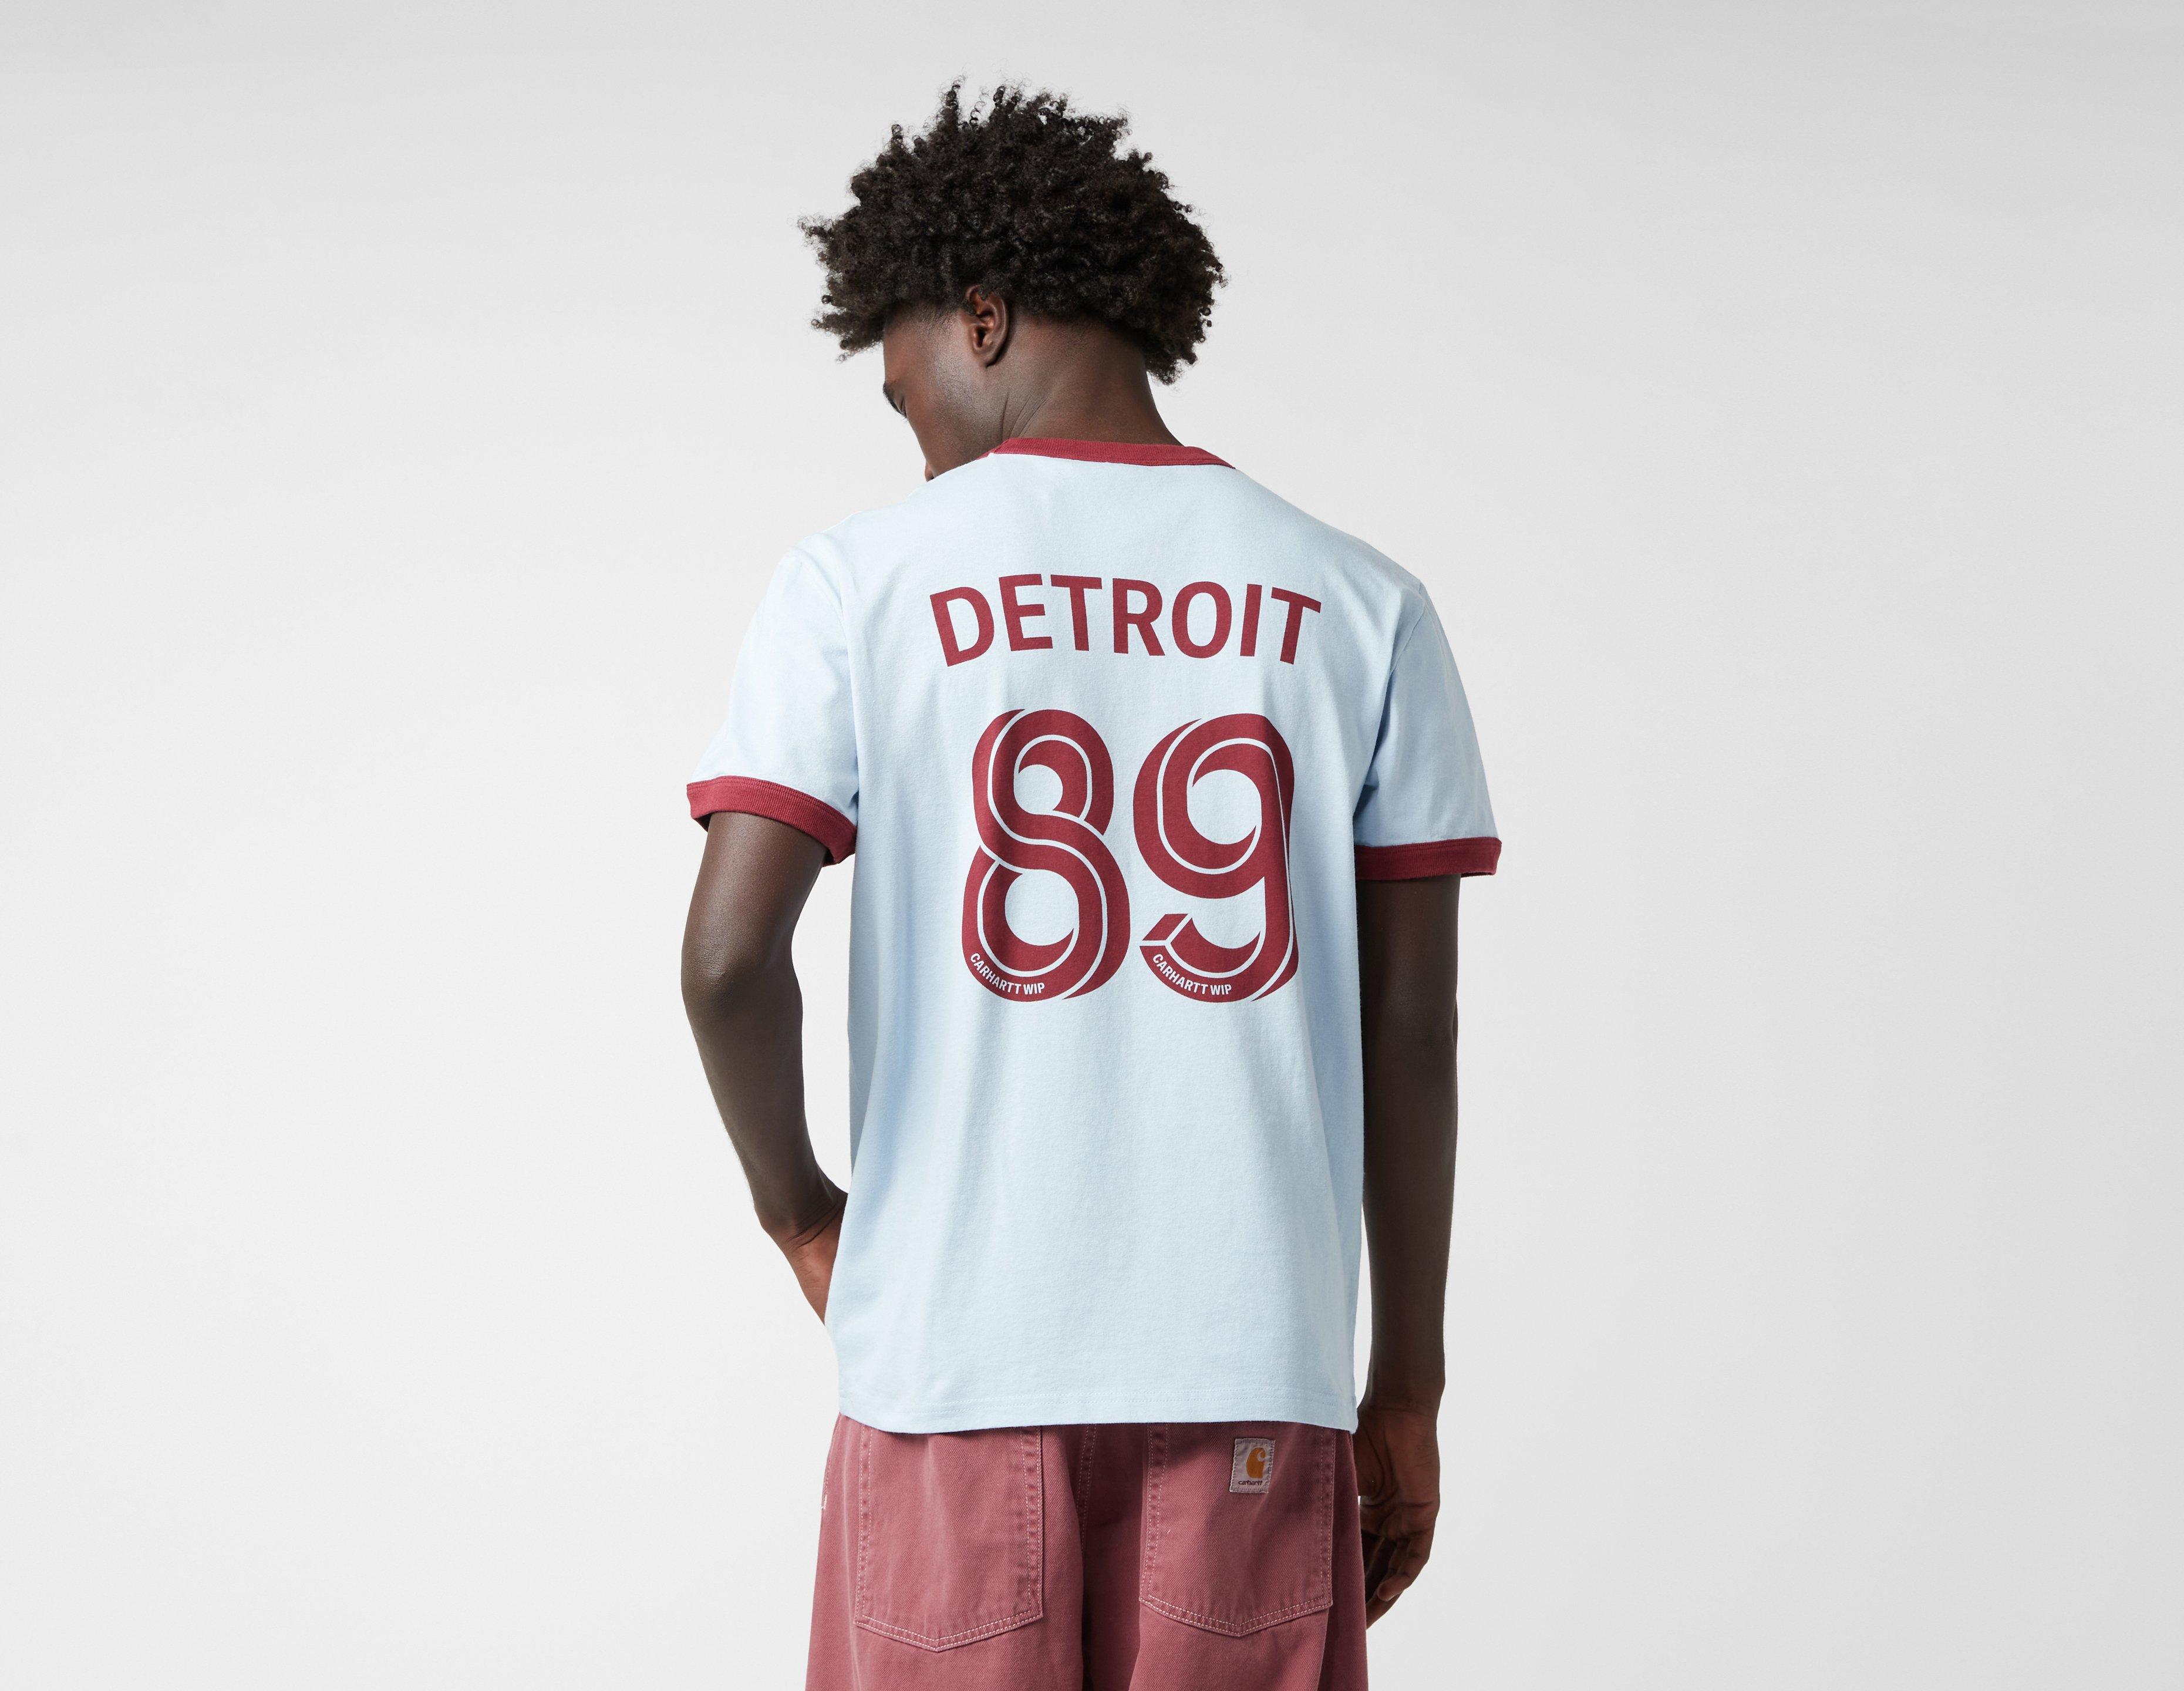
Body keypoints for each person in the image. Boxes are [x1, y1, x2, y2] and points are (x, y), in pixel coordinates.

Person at [680, 84, 1499, 1690]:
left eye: (905, 387)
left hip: (948, 1368)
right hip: (1253, 1375)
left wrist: (801, 1212)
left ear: (981, 317)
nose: (917, 436)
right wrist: (1405, 1386)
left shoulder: (856, 583)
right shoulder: (1364, 601)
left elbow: (725, 964)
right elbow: (1414, 1031)